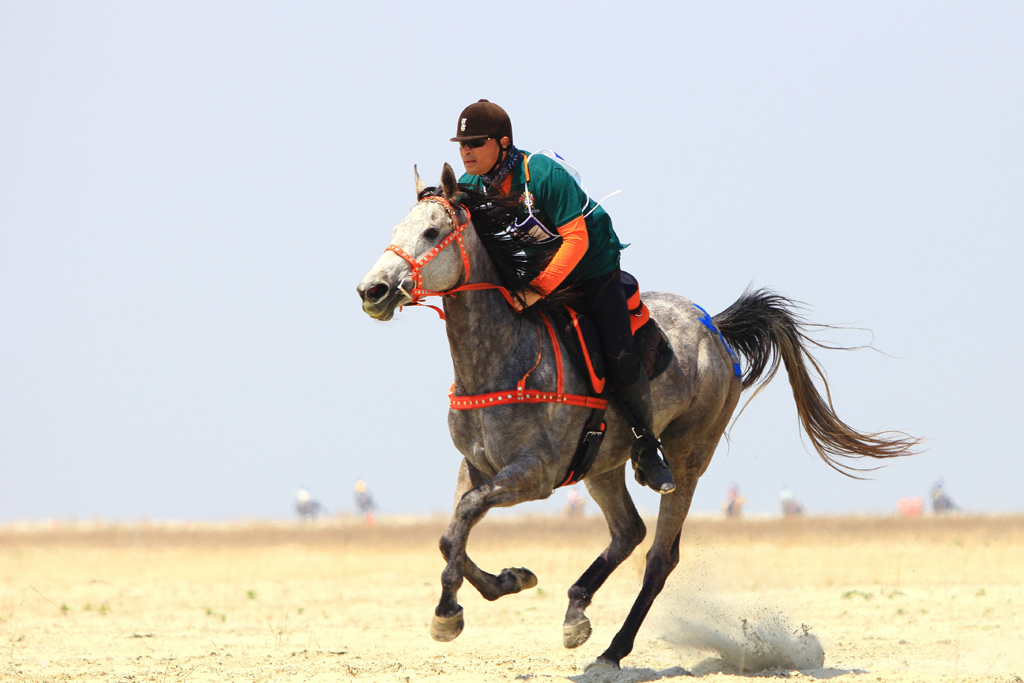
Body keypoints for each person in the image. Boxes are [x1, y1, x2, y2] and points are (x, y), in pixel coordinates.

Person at [450, 99, 674, 494]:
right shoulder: (471, 186)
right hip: (538, 274)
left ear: (503, 143)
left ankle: (646, 445)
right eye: (462, 144)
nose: (466, 151)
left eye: (476, 142)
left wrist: (535, 290)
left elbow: (576, 239)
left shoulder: (543, 175)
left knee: (618, 355)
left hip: (592, 271)